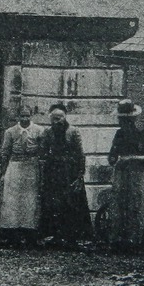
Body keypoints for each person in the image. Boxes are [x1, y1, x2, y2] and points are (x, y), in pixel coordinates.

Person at [39, 103, 91, 244]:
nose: (58, 121)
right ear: (50, 119)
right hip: (54, 172)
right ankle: (56, 236)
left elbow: (81, 154)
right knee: (54, 204)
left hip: (70, 171)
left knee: (72, 204)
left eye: (60, 117)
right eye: (55, 118)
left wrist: (80, 174)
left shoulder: (73, 132)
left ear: (65, 117)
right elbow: (42, 151)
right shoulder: (47, 133)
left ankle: (72, 237)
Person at [106, 99, 144, 251]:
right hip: (121, 173)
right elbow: (112, 156)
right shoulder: (119, 134)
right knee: (118, 204)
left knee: (136, 204)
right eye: (121, 119)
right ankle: (117, 239)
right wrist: (115, 159)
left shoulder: (142, 134)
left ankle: (135, 240)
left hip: (137, 173)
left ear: (133, 119)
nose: (123, 122)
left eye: (126, 119)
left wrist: (131, 158)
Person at [0, 105, 44, 244]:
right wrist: (3, 172)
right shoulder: (10, 132)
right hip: (15, 167)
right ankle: (12, 234)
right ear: (18, 117)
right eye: (22, 116)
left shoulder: (39, 131)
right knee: (13, 200)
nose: (25, 118)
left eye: (27, 116)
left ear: (31, 116)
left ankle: (30, 234)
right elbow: (5, 152)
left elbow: (43, 150)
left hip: (31, 166)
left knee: (30, 200)